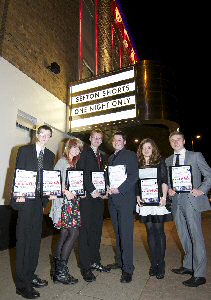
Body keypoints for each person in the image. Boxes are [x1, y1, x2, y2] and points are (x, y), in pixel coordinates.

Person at [11, 125, 55, 299]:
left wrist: (49, 194)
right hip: (25, 200)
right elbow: (18, 173)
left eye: (47, 135)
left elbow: (49, 178)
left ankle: (30, 275)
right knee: (24, 242)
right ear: (37, 135)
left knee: (35, 242)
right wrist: (17, 195)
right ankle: (21, 285)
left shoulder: (50, 155)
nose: (44, 137)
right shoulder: (25, 150)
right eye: (41, 134)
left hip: (38, 203)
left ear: (50, 137)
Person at [166, 131, 211, 287]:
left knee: (196, 236)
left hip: (192, 200)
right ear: (170, 143)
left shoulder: (195, 156)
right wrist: (170, 190)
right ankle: (188, 265)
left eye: (178, 139)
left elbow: (209, 175)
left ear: (184, 140)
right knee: (183, 235)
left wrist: (202, 189)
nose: (176, 142)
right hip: (177, 201)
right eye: (173, 140)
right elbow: (169, 180)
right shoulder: (168, 160)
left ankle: (199, 274)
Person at [76, 129, 110, 282]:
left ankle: (95, 261)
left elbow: (103, 176)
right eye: (94, 137)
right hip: (87, 199)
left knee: (96, 231)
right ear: (90, 139)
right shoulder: (84, 154)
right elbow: (81, 173)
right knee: (85, 233)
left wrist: (104, 190)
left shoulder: (102, 157)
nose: (97, 140)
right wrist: (92, 190)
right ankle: (85, 268)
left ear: (101, 141)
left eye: (99, 138)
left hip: (98, 199)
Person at [136, 138, 172, 280]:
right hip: (145, 203)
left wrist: (164, 197)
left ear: (153, 149)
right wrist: (137, 195)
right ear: (141, 150)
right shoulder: (138, 164)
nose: (146, 150)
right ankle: (154, 263)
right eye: (144, 147)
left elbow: (164, 180)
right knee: (150, 232)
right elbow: (136, 183)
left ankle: (161, 263)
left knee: (159, 231)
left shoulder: (159, 162)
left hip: (157, 202)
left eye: (149, 147)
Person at [49, 137, 83, 285]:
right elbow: (53, 181)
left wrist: (80, 191)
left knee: (64, 234)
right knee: (74, 233)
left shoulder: (73, 163)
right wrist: (66, 191)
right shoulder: (62, 162)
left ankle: (57, 271)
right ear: (68, 147)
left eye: (78, 148)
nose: (76, 150)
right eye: (74, 147)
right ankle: (61, 272)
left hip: (72, 203)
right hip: (65, 204)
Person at [107, 131, 139, 283]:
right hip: (112, 200)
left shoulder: (130, 155)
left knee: (126, 234)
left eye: (120, 140)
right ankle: (120, 261)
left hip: (125, 199)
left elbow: (133, 176)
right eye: (115, 140)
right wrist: (106, 187)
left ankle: (128, 269)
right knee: (118, 233)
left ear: (124, 142)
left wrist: (119, 189)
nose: (117, 142)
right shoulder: (111, 158)